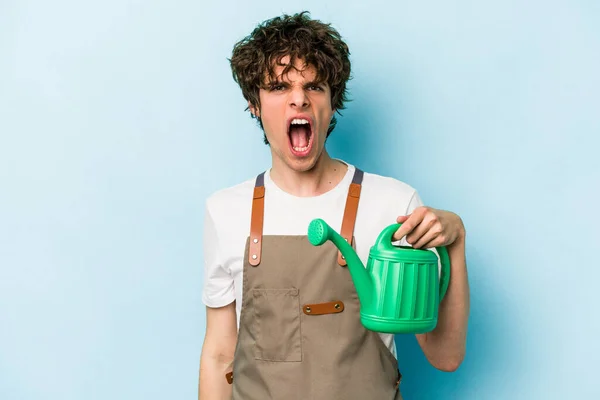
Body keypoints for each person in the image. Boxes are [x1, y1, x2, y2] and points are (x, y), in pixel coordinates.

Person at [198, 11, 470, 400]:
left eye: (314, 86)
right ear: (254, 104)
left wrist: (455, 242)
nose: (298, 100)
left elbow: (445, 356)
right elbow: (219, 355)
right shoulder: (225, 212)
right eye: (278, 87)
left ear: (331, 102)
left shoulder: (394, 205)